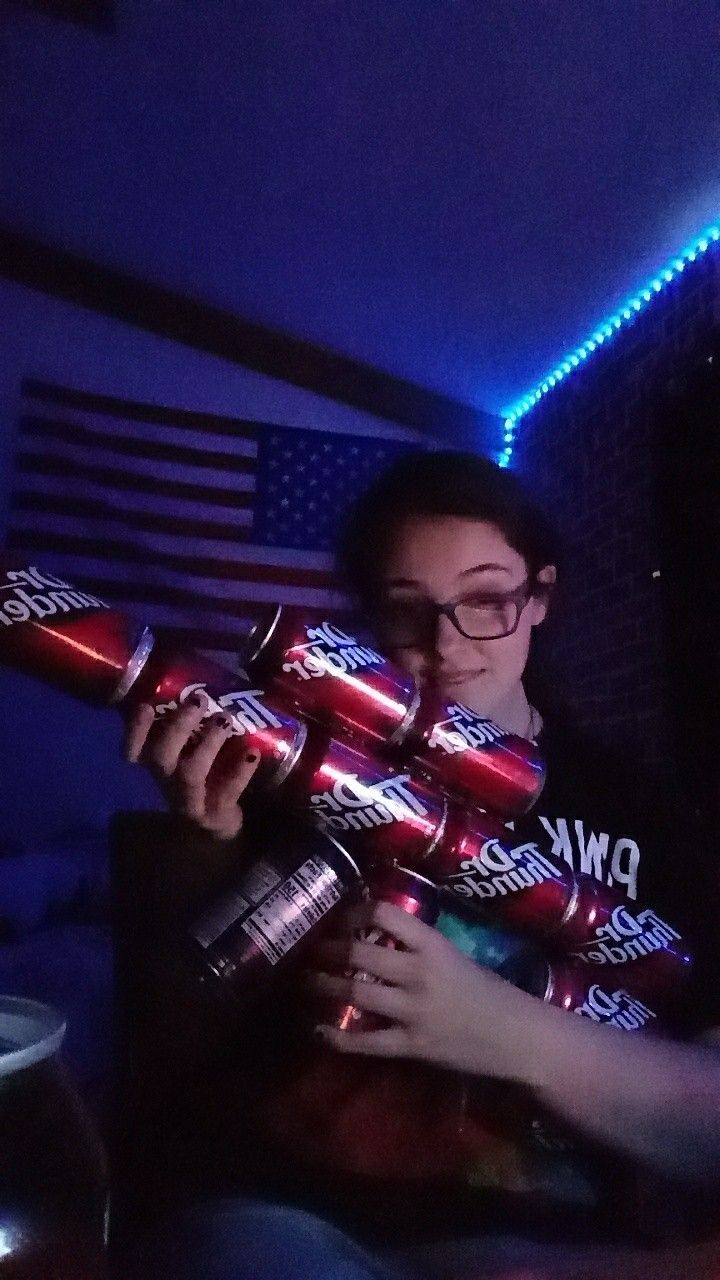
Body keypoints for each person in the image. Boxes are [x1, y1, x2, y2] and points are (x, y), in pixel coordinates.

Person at [119, 450, 720, 1279]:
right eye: (409, 612)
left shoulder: (638, 809)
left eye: (486, 600)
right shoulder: (298, 769)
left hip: (551, 1241)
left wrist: (496, 1026)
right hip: (293, 1221)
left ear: (538, 598)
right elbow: (169, 1040)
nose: (446, 645)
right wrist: (199, 842)